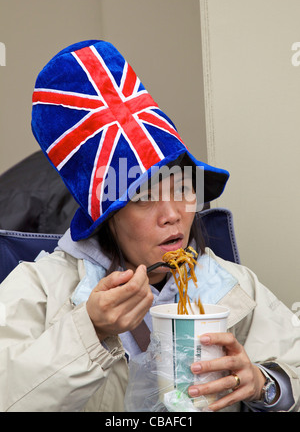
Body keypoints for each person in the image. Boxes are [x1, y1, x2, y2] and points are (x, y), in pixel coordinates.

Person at [0, 40, 299, 412]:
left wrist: (266, 385)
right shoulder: (39, 291)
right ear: (107, 217)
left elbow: (293, 366)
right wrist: (89, 330)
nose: (173, 214)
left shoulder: (232, 285)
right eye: (143, 197)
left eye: (182, 188)